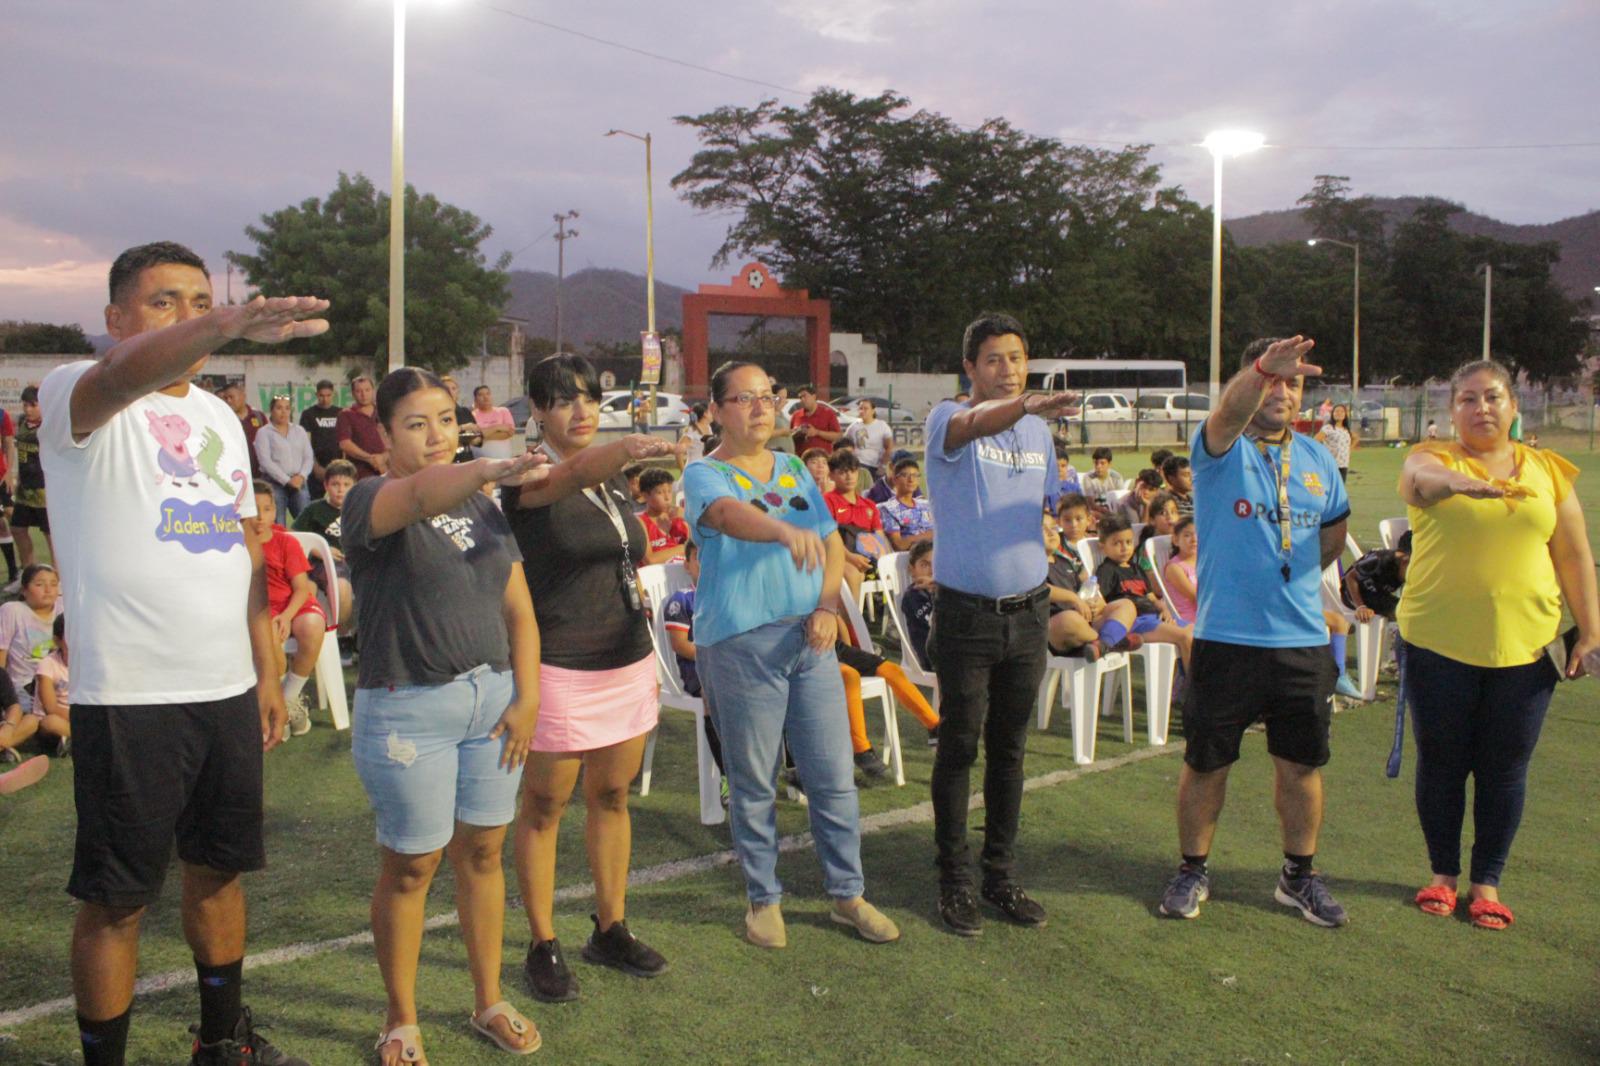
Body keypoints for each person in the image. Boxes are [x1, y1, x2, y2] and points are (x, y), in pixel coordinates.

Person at [41, 241, 325, 1066]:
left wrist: (268, 671)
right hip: (129, 696)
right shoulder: (78, 396)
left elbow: (243, 548)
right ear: (115, 319)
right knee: (116, 901)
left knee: (218, 873)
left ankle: (222, 1039)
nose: (188, 316)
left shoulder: (215, 418)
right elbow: (125, 376)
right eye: (166, 301)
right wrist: (227, 320)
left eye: (199, 300)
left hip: (227, 688)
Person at [342, 367, 545, 1062]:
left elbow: (518, 609)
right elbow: (426, 491)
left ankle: (488, 999)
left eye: (445, 419)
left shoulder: (483, 506)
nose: (435, 436)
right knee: (412, 865)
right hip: (408, 710)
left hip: (491, 705)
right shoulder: (371, 498)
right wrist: (488, 466)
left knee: (484, 853)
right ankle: (401, 1019)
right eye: (415, 423)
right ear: (385, 433)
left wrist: (528, 698)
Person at [685, 359, 899, 950]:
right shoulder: (705, 474)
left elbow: (831, 544)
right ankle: (763, 902)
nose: (760, 406)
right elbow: (728, 517)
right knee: (756, 781)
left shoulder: (794, 470)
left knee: (833, 777)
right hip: (741, 643)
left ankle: (847, 894)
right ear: (718, 410)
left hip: (812, 638)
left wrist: (829, 604)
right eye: (744, 398)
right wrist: (782, 532)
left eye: (766, 395)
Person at [1157, 335, 1352, 929]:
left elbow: (1335, 529)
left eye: (1293, 383)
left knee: (1300, 766)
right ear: (1250, 382)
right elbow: (1225, 412)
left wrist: (1287, 578)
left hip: (1299, 641)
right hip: (1225, 641)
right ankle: (1193, 869)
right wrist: (1263, 368)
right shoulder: (1220, 447)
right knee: (1207, 762)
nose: (1283, 391)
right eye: (1272, 380)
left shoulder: (1317, 458)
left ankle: (1298, 877)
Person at [1397, 358, 1598, 931]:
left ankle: (1487, 882)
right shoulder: (1432, 457)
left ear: (1513, 406)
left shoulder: (1547, 470)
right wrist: (1456, 482)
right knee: (1441, 762)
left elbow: (1573, 554)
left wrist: (1591, 630)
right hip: (1437, 641)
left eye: (1492, 397)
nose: (1481, 408)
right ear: (1451, 410)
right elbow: (1420, 482)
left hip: (1528, 648)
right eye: (1467, 398)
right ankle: (1442, 875)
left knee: (1505, 767)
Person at [504, 353, 675, 1002]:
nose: (580, 411)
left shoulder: (609, 484)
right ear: (537, 411)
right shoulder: (528, 476)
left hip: (624, 657)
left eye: (587, 399)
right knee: (544, 807)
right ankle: (542, 942)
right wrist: (627, 447)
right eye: (563, 400)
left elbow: (630, 555)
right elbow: (569, 473)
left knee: (612, 798)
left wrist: (648, 658)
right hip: (560, 664)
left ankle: (610, 927)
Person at [924, 311, 1077, 937]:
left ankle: (1000, 875)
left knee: (1010, 753)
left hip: (1028, 613)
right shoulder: (946, 418)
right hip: (966, 616)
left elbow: (1037, 514)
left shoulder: (1038, 433)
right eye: (993, 359)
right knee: (960, 747)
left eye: (1016, 357)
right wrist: (1026, 406)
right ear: (970, 368)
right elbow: (972, 424)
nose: (1007, 369)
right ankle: (954, 881)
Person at [246, 481, 324, 737]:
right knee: (267, 630)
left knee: (313, 625)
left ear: (274, 510)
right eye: (253, 508)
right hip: (256, 611)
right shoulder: (235, 542)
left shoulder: (285, 542)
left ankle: (288, 698)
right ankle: (275, 706)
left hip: (291, 605)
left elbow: (302, 588)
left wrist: (288, 616)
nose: (260, 516)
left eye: (267, 509)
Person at [1095, 514, 1192, 670]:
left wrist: (1164, 609)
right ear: (1103, 546)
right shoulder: (1107, 570)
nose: (1124, 547)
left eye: (1128, 542)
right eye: (1117, 543)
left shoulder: (1136, 568)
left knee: (1198, 633)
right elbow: (1103, 603)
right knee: (1185, 636)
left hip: (1154, 617)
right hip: (1136, 623)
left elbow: (1151, 597)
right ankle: (1192, 690)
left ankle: (1184, 683)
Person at [1044, 505, 1139, 661]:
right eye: (1043, 529)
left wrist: (1096, 602)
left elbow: (1087, 585)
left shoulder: (1066, 562)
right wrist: (1073, 598)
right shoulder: (1032, 566)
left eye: (1053, 528)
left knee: (1126, 605)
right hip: (1057, 628)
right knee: (1069, 619)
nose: (1051, 533)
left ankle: (1102, 644)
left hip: (1085, 622)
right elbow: (1041, 589)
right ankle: (1112, 642)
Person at [291, 458, 356, 630]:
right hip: (321, 564)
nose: (341, 490)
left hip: (352, 563)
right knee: (326, 588)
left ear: (354, 486)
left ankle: (350, 636)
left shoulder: (359, 509)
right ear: (326, 485)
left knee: (345, 586)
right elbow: (293, 537)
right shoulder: (314, 509)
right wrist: (318, 550)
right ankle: (334, 636)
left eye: (346, 484)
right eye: (335, 484)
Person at [0, 563, 63, 722]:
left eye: (54, 584)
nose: (48, 589)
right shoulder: (12, 611)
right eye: (40, 584)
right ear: (24, 590)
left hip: (59, 682)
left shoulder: (64, 609)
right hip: (24, 684)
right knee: (32, 719)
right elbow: (2, 654)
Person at [823, 449, 885, 602]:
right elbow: (828, 537)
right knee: (853, 574)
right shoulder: (827, 501)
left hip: (865, 558)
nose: (849, 476)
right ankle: (853, 624)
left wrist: (881, 561)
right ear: (831, 475)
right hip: (834, 556)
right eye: (843, 472)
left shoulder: (869, 505)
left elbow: (879, 537)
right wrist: (851, 558)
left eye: (853, 471)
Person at [10, 385, 52, 579]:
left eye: (33, 405)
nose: (28, 409)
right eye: (25, 405)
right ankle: (28, 576)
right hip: (25, 490)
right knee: (17, 529)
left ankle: (58, 579)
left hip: (45, 491)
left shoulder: (50, 425)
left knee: (50, 535)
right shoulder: (20, 422)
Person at [254, 394, 314, 519]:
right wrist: (287, 480)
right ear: (272, 410)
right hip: (274, 483)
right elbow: (265, 461)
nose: (283, 412)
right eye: (279, 408)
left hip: (299, 481)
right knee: (278, 521)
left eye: (287, 408)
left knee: (305, 522)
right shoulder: (263, 432)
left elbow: (308, 456)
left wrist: (302, 476)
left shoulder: (299, 431)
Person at [297, 378, 344, 495]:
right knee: (315, 502)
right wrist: (315, 466)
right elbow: (305, 443)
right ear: (316, 395)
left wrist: (342, 465)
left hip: (337, 464)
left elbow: (345, 441)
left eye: (328, 395)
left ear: (333, 394)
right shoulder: (308, 414)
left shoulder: (341, 413)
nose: (325, 399)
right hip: (316, 467)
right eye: (321, 395)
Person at [878, 457, 934, 552]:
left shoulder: (926, 505)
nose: (911, 479)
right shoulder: (888, 509)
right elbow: (899, 544)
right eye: (905, 475)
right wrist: (929, 535)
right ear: (895, 479)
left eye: (915, 475)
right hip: (910, 557)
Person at [337, 375, 388, 479]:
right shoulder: (346, 414)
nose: (364, 395)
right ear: (352, 393)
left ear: (373, 391)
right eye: (359, 391)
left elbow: (397, 440)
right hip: (358, 475)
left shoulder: (384, 412)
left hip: (386, 472)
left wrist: (383, 457)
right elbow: (345, 444)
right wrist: (369, 459)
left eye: (367, 390)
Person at [637, 467, 691, 563]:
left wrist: (689, 519)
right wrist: (684, 548)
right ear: (645, 496)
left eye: (669, 491)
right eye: (660, 492)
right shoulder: (641, 522)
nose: (667, 497)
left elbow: (698, 548)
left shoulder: (681, 517)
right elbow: (650, 560)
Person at [34, 613, 72, 748]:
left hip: (84, 717)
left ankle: (71, 740)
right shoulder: (47, 665)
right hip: (59, 719)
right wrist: (82, 718)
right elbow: (50, 707)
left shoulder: (92, 663)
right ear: (57, 641)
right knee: (50, 722)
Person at [217, 382, 266, 480]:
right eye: (226, 398)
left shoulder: (258, 416)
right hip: (235, 475)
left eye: (231, 397)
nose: (228, 401)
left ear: (243, 396)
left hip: (260, 474)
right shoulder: (223, 419)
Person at [899, 540, 935, 671]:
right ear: (912, 570)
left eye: (936, 563)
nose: (932, 570)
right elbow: (932, 624)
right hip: (933, 658)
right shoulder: (913, 597)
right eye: (925, 565)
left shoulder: (945, 590)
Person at [845, 398, 894, 479]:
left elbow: (889, 447)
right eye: (861, 408)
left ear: (873, 410)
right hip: (858, 464)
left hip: (875, 465)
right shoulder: (853, 427)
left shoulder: (882, 425)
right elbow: (844, 444)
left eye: (866, 408)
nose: (862, 411)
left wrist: (884, 466)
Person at [787, 384, 843, 454]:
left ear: (814, 396)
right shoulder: (796, 415)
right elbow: (789, 438)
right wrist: (797, 433)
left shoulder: (828, 413)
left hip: (822, 459)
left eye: (804, 396)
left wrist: (817, 432)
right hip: (800, 460)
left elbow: (838, 436)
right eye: (800, 397)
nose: (802, 399)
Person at [1163, 515, 1199, 624]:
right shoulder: (1174, 568)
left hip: (1206, 615)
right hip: (1189, 620)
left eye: (1198, 534)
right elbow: (1196, 597)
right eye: (1187, 535)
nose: (1194, 540)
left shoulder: (1204, 562)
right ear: (1176, 540)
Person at [439, 374, 483, 463]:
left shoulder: (465, 412)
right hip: (447, 459)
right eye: (446, 389)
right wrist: (463, 427)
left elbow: (479, 437)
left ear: (458, 392)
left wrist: (475, 439)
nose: (450, 391)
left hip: (466, 458)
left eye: (454, 388)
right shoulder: (436, 413)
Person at [471, 385, 517, 457]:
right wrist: (497, 427)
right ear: (475, 399)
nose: (486, 398)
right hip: (480, 461)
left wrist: (483, 436)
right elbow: (474, 438)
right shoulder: (472, 415)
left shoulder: (503, 411)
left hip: (503, 459)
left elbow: (510, 432)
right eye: (481, 395)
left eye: (488, 394)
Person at [1315, 403, 1356, 482]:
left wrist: (1349, 450)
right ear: (1332, 414)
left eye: (1342, 411)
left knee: (1340, 489)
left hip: (1343, 464)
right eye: (1336, 411)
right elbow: (1315, 441)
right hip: (1331, 464)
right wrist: (1322, 455)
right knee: (1329, 489)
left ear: (1345, 415)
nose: (1339, 413)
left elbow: (1355, 438)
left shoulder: (1346, 429)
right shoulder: (1328, 428)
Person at [677, 403, 713, 468]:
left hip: (706, 468)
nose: (712, 414)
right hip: (693, 467)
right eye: (710, 412)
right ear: (705, 414)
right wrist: (683, 471)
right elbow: (678, 451)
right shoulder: (692, 430)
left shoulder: (708, 427)